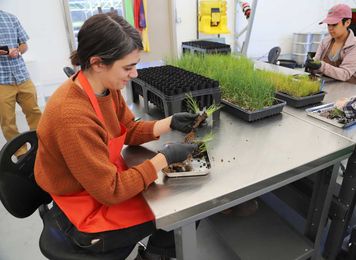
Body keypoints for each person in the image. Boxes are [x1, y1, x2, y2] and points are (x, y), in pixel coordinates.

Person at [34, 13, 201, 260]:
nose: (134, 74)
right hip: (79, 214)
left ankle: (156, 252)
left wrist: (170, 122)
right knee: (185, 212)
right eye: (128, 67)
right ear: (98, 63)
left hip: (96, 185)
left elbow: (127, 130)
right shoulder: (72, 116)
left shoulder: (104, 88)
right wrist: (163, 159)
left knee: (178, 205)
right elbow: (110, 191)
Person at [0, 10, 42, 156]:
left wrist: (18, 51)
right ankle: (21, 154)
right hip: (2, 80)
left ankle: (41, 145)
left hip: (22, 75)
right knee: (7, 121)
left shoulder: (11, 18)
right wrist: (6, 51)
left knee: (34, 112)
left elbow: (24, 45)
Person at [305, 4, 356, 83]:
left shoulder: (354, 46)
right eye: (328, 24)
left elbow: (345, 74)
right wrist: (312, 65)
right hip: (328, 85)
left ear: (347, 22)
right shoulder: (325, 41)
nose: (330, 29)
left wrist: (321, 66)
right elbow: (317, 62)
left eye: (335, 24)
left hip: (348, 90)